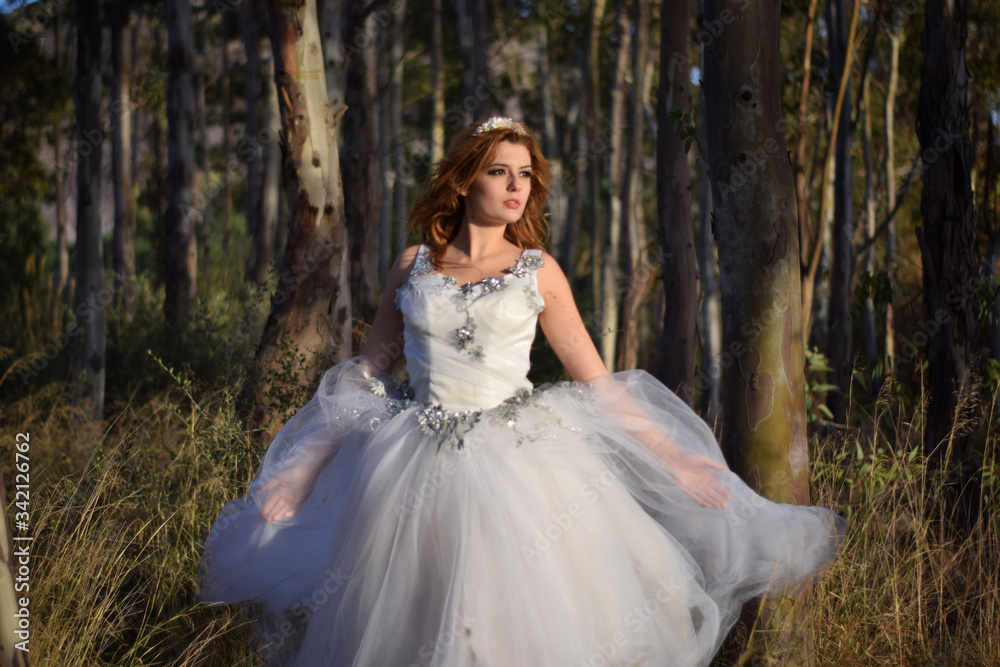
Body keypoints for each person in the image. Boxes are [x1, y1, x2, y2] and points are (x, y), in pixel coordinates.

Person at [198, 116, 846, 667]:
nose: (516, 185)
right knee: (410, 624)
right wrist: (302, 469)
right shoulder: (413, 264)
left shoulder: (540, 272)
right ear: (463, 178)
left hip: (521, 470)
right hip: (409, 468)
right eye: (501, 171)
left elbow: (602, 387)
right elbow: (368, 369)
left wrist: (676, 460)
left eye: (525, 174)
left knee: (503, 631)